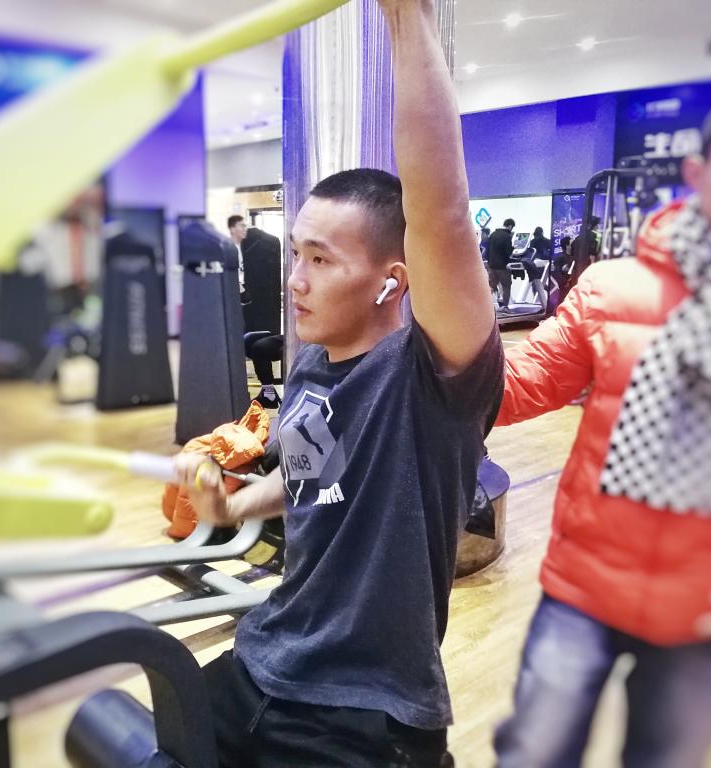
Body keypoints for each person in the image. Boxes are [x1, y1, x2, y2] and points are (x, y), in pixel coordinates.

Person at [173, 1, 504, 766]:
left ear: (393, 281)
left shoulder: (434, 376)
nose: (296, 279)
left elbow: (442, 209)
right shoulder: (314, 365)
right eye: (297, 253)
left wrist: (407, 20)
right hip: (266, 656)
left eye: (322, 260)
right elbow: (311, 482)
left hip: (363, 711)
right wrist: (229, 503)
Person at [493, 77, 711, 768]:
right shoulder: (612, 287)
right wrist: (435, 364)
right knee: (534, 753)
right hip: (584, 583)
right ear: (699, 172)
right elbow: (521, 386)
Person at [487, 218, 515, 308]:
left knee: (492, 286)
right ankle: (505, 307)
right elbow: (508, 252)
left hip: (492, 266)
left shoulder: (493, 234)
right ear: (510, 226)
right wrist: (513, 249)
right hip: (503, 267)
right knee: (506, 287)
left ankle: (487, 306)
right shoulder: (507, 236)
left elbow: (487, 250)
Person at [567, 215, 599, 290]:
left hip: (576, 271)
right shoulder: (593, 237)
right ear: (595, 226)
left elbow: (571, 254)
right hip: (587, 270)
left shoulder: (577, 239)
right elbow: (592, 255)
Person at [227, 214, 248, 294]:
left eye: (245, 226)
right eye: (242, 226)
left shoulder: (244, 246)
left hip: (243, 288)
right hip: (233, 290)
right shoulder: (227, 248)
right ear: (232, 229)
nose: (245, 229)